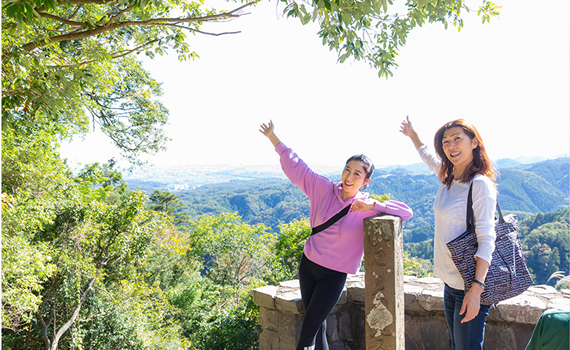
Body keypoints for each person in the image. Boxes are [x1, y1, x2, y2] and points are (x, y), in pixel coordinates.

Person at [259, 120, 413, 350]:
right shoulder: (323, 188)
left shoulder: (364, 205)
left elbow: (406, 212)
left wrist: (372, 206)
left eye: (357, 174)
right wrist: (273, 137)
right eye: (347, 170)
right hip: (309, 265)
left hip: (334, 275)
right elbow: (298, 168)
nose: (349, 177)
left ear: (366, 180)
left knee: (308, 330)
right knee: (317, 325)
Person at [400, 116, 497, 350]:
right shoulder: (449, 179)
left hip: (470, 285)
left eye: (457, 139)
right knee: (457, 346)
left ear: (474, 142)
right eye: (445, 142)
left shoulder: (479, 185)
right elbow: (429, 158)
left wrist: (476, 290)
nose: (451, 146)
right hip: (450, 282)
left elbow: (487, 239)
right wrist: (413, 136)